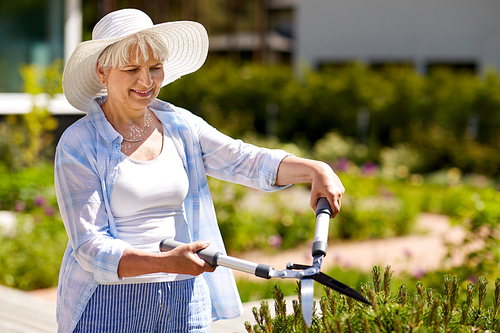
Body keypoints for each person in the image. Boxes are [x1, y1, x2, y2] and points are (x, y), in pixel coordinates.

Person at [55, 8, 345, 333]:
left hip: (184, 295)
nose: (146, 81)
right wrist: (164, 262)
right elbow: (89, 246)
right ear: (102, 72)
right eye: (132, 68)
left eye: (155, 68)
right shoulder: (78, 143)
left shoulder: (179, 125)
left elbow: (243, 159)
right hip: (108, 302)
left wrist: (314, 169)